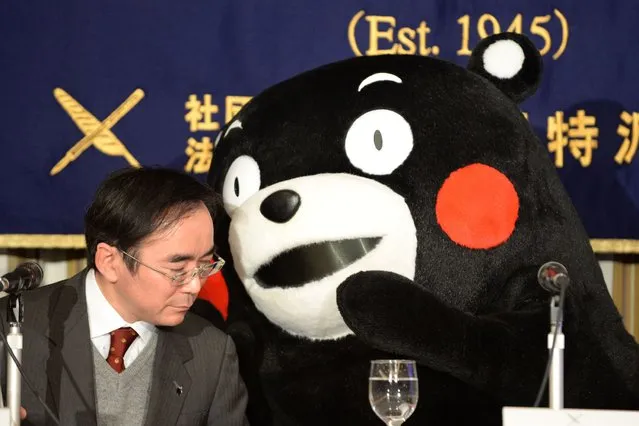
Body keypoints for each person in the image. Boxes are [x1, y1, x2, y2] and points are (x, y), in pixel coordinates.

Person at [0, 167, 249, 425]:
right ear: (109, 261)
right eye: (177, 270)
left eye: (205, 264)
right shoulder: (13, 328)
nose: (195, 286)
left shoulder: (211, 351)